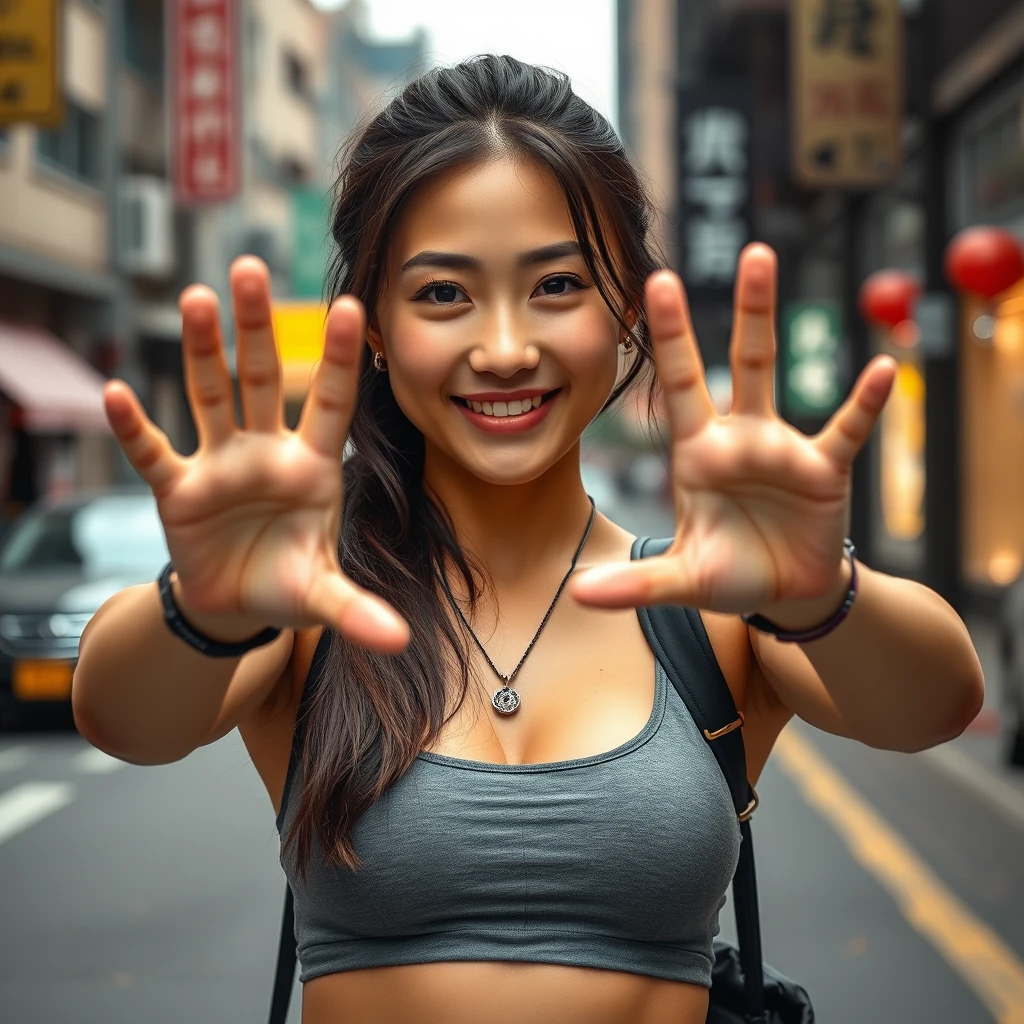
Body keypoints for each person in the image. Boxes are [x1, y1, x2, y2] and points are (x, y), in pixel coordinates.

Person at [72, 55, 984, 1024]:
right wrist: (200, 609)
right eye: (441, 295)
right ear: (374, 326)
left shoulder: (707, 604)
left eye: (555, 284)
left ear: (626, 310)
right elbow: (122, 716)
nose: (504, 346)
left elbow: (938, 703)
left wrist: (817, 593)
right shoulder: (308, 602)